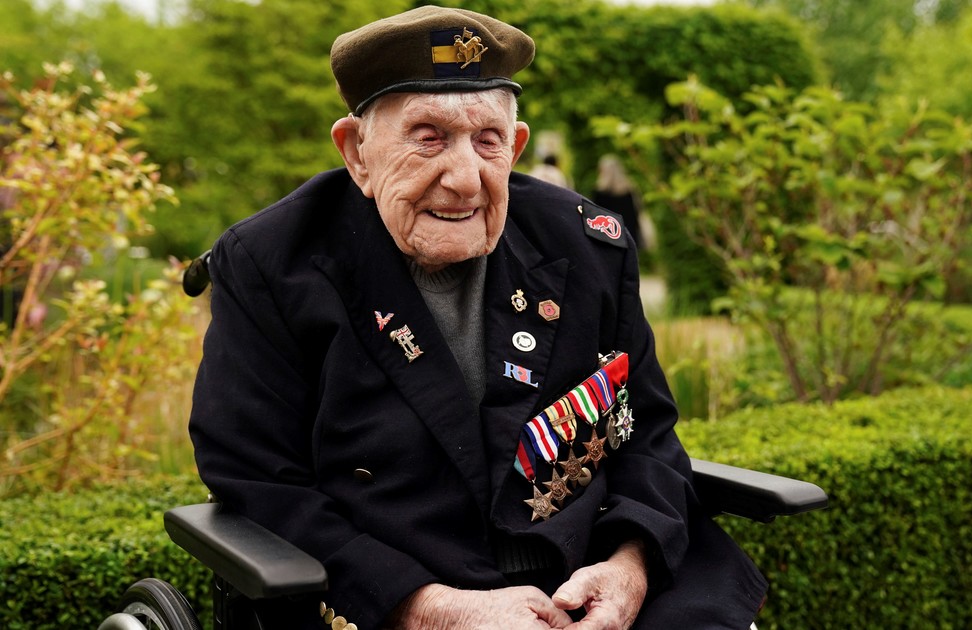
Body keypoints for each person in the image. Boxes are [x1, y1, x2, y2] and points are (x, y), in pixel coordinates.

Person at [189, 6, 766, 630]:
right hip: (396, 596)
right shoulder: (273, 265)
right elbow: (258, 480)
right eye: (428, 137)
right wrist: (433, 609)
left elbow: (646, 432)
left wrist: (632, 563)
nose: (466, 179)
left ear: (515, 149)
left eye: (488, 140)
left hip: (596, 583)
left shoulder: (586, 245)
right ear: (357, 153)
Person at [591, 154, 643, 251]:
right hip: (628, 236)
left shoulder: (600, 193)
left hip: (608, 238)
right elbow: (635, 213)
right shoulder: (629, 190)